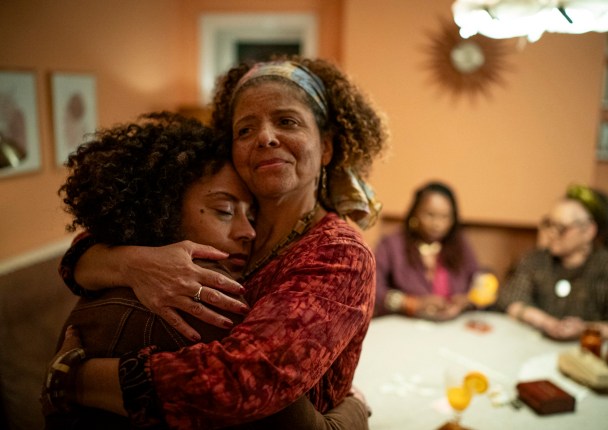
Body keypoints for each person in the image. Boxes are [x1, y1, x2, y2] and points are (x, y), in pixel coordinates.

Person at [47, 57, 388, 428]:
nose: (265, 137)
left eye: (287, 121)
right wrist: (133, 262)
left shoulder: (340, 253)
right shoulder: (220, 221)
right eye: (244, 130)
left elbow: (242, 382)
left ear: (326, 147)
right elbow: (78, 254)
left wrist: (74, 380)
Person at [497, 184, 608, 343]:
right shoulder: (536, 260)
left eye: (561, 228)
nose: (551, 233)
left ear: (588, 231)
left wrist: (584, 329)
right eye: (549, 224)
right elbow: (510, 300)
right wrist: (546, 322)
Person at [373, 181, 480, 320]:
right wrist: (410, 304)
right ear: (414, 213)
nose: (437, 224)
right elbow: (372, 287)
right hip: (404, 327)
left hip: (451, 328)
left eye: (445, 217)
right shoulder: (392, 245)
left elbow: (481, 277)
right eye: (430, 215)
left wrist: (467, 300)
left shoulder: (459, 245)